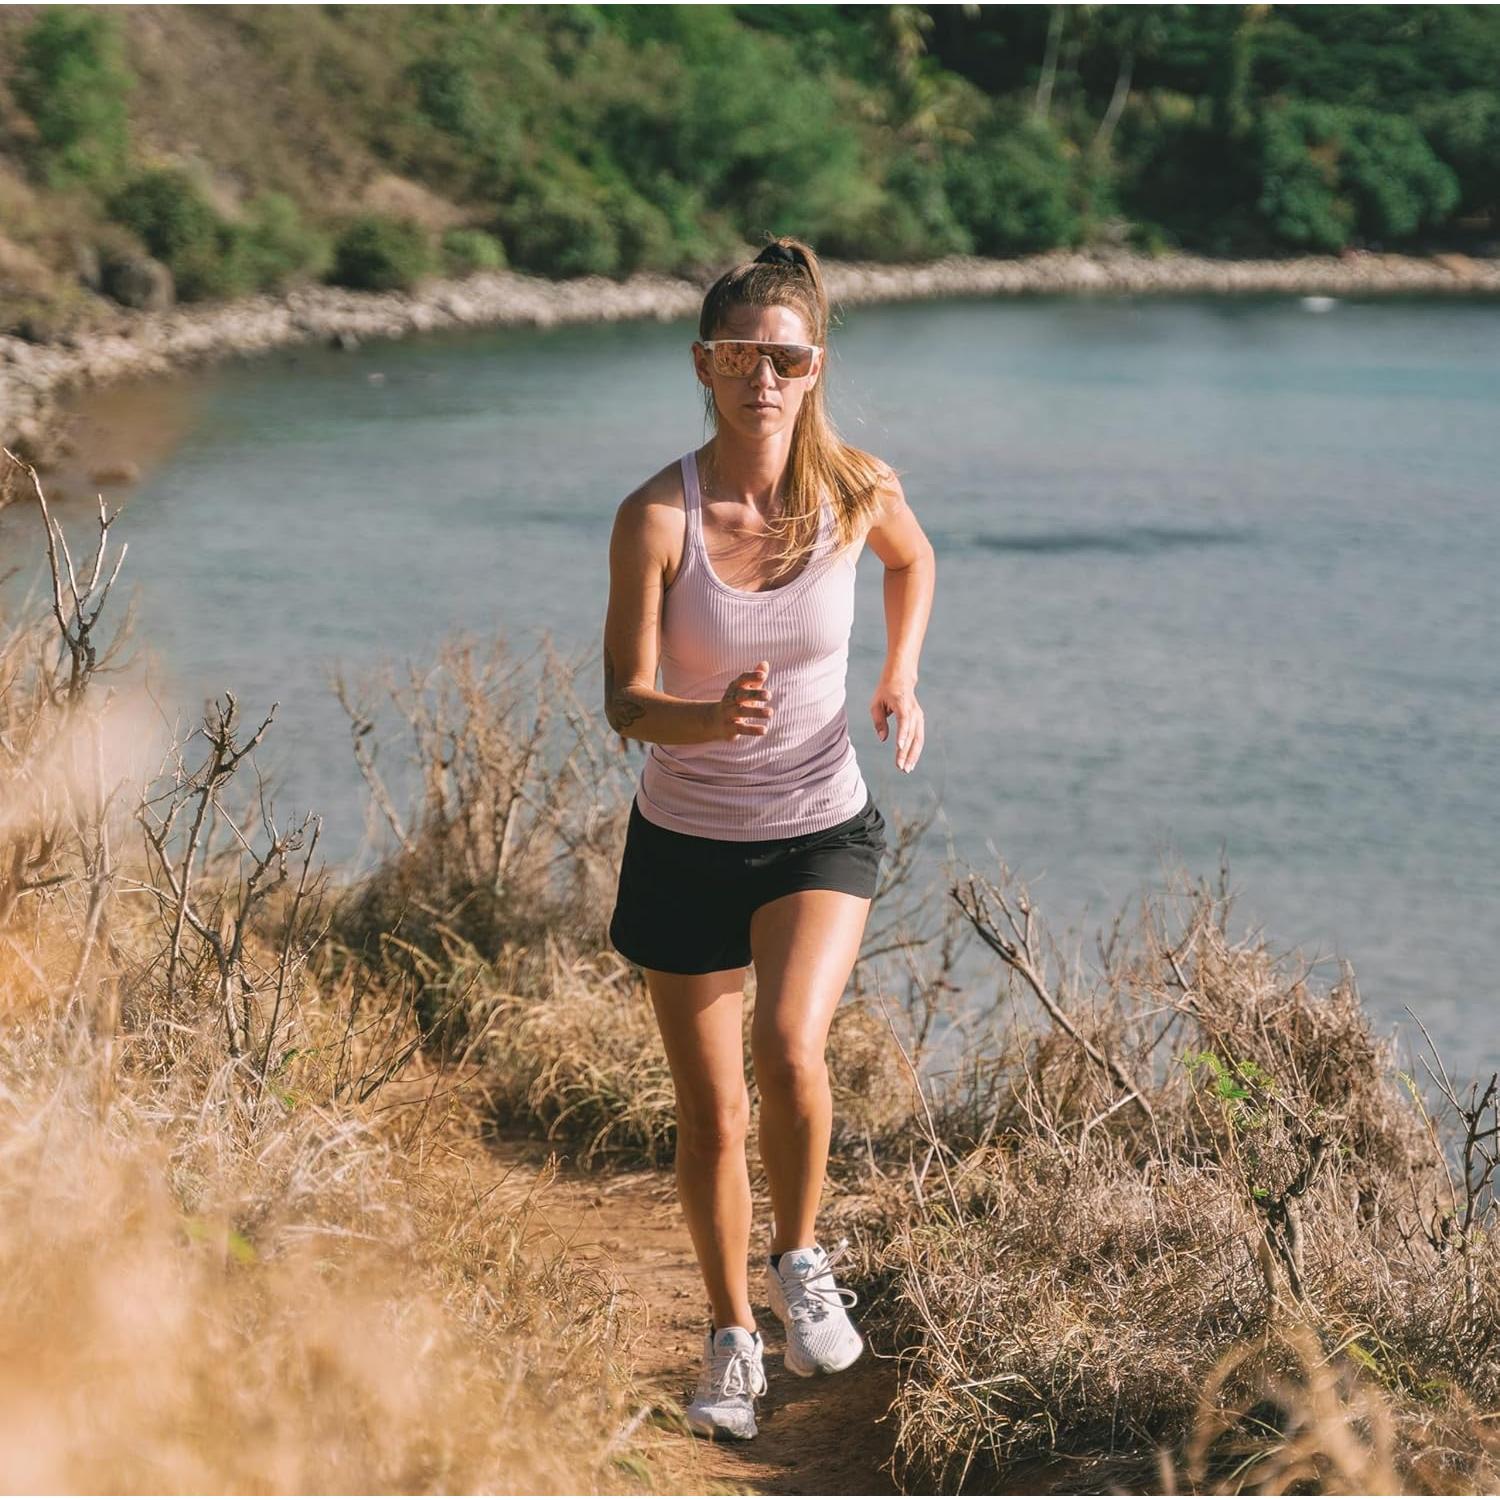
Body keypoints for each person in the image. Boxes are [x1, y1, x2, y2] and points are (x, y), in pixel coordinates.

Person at [601, 235, 936, 1442]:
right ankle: (734, 1335)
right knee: (713, 1115)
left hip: (818, 826)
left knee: (792, 1048)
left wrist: (898, 675)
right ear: (705, 362)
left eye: (783, 356)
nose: (763, 375)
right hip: (684, 840)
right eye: (740, 353)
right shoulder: (656, 515)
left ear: (814, 365)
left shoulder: (857, 489)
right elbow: (625, 702)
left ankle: (801, 1259)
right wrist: (706, 717)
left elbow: (915, 561)